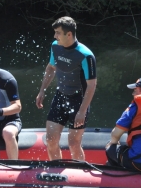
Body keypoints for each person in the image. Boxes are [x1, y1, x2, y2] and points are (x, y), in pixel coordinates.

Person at [35, 16, 97, 161]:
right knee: (50, 139)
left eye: (57, 33)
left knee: (74, 143)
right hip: (60, 96)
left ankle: (79, 176)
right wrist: (42, 89)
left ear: (69, 34)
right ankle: (56, 172)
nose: (55, 36)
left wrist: (82, 111)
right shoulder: (55, 46)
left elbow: (92, 85)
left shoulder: (85, 55)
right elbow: (51, 67)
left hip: (78, 101)